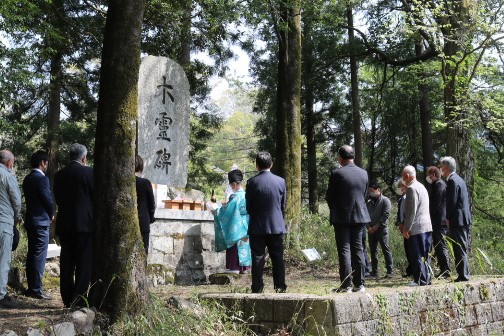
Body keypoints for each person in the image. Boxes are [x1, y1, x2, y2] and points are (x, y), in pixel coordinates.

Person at [325, 145, 370, 293]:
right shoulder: (363, 173)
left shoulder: (337, 173)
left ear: (340, 157)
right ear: (354, 156)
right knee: (358, 249)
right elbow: (364, 195)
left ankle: (346, 285)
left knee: (344, 249)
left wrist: (336, 208)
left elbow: (329, 196)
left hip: (342, 217)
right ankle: (360, 284)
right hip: (360, 216)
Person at [54, 143, 94, 307]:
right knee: (84, 263)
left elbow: (57, 197)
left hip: (65, 223)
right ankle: (79, 299)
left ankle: (66, 297)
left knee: (67, 261)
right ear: (84, 157)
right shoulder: (89, 172)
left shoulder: (59, 175)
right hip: (85, 224)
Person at [246, 152, 287, 293]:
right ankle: (280, 287)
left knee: (257, 258)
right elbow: (282, 205)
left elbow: (248, 207)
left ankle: (257, 288)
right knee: (277, 258)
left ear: (257, 166)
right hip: (276, 225)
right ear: (272, 164)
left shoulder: (251, 182)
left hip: (257, 225)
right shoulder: (281, 181)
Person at [22, 150, 54, 300]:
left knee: (32, 254)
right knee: (40, 255)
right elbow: (47, 199)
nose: (47, 166)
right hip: (41, 221)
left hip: (30, 220)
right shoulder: (42, 179)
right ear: (42, 163)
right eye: (46, 163)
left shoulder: (27, 178)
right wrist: (51, 213)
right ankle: (36, 288)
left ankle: (32, 286)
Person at [440, 156, 472, 282]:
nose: (440, 169)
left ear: (446, 168)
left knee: (458, 247)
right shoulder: (459, 179)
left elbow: (451, 202)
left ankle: (463, 275)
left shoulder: (453, 181)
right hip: (463, 218)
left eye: (441, 166)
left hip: (457, 219)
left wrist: (447, 217)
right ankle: (465, 273)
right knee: (461, 246)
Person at [213, 169, 251, 274]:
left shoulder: (235, 197)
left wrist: (216, 211)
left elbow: (227, 211)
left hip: (237, 224)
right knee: (244, 245)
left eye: (231, 185)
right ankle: (245, 267)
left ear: (234, 184)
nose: (231, 187)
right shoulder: (247, 195)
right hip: (246, 223)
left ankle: (235, 267)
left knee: (234, 242)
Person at [401, 165, 432, 286]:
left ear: (407, 176)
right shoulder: (422, 187)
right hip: (427, 226)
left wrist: (406, 228)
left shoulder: (411, 189)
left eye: (403, 177)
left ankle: (419, 280)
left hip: (417, 227)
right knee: (426, 255)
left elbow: (411, 211)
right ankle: (427, 278)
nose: (403, 180)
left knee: (417, 254)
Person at [0, 150, 22, 309]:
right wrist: (17, 217)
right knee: (3, 259)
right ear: (9, 163)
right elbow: (16, 201)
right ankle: (1, 295)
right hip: (3, 221)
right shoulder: (7, 176)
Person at [426, 166, 450, 279]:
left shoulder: (439, 185)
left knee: (441, 246)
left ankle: (446, 270)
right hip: (436, 220)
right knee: (438, 245)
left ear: (434, 175)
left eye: (429, 175)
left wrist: (428, 215)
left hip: (439, 221)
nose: (428, 177)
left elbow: (435, 204)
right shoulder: (436, 185)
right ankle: (443, 269)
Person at [366, 181, 393, 277]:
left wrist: (376, 226)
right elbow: (365, 215)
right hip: (371, 230)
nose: (371, 193)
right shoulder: (369, 202)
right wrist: (368, 227)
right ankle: (374, 271)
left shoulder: (385, 200)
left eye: (372, 191)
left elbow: (385, 215)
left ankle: (390, 271)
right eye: (369, 191)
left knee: (386, 249)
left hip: (382, 229)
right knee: (373, 251)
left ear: (378, 190)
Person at [135, 155, 156, 254]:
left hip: (127, 221)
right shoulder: (145, 183)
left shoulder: (123, 183)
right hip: (143, 221)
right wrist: (151, 218)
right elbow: (152, 204)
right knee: (143, 252)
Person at [395, 181, 412, 278]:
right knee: (407, 249)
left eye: (401, 187)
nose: (399, 189)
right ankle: (410, 270)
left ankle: (412, 270)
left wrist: (404, 225)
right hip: (403, 227)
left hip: (408, 227)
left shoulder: (408, 198)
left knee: (411, 249)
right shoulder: (402, 199)